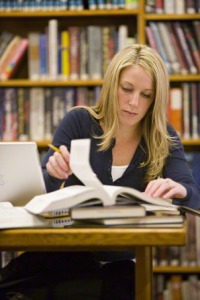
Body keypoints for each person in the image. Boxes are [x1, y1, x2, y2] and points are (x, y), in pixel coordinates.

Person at [41, 44, 200, 299]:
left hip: (126, 263)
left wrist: (179, 189)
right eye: (127, 89)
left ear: (155, 99)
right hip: (68, 259)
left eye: (146, 95)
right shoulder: (79, 121)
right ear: (112, 84)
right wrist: (52, 174)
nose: (134, 102)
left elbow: (194, 196)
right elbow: (36, 193)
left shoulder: (163, 137)